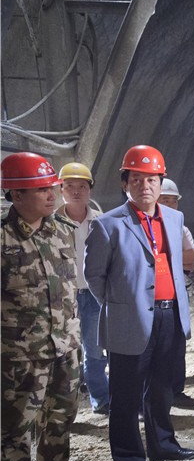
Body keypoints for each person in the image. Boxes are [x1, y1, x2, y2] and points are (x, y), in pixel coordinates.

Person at [84, 145, 194, 461]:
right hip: (129, 320)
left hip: (170, 316)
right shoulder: (108, 225)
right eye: (136, 179)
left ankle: (163, 445)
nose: (144, 186)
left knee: (162, 388)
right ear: (125, 183)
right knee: (126, 394)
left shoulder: (173, 219)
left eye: (151, 179)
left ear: (161, 183)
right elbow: (94, 276)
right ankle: (129, 460)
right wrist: (121, 305)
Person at [1, 153, 83, 461]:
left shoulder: (62, 229)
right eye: (41, 190)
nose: (52, 195)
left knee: (61, 414)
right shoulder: (3, 239)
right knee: (15, 423)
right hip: (20, 353)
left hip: (64, 345)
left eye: (52, 188)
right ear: (16, 195)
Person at [56, 162, 108, 415]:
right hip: (63, 297)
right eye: (70, 186)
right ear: (61, 189)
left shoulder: (102, 221)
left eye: (82, 186)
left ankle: (101, 398)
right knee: (63, 351)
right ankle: (62, 405)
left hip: (94, 294)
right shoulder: (50, 223)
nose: (76, 191)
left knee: (95, 350)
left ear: (90, 189)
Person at [157, 178, 194, 408]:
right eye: (165, 200)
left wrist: (162, 259)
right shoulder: (146, 228)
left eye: (173, 201)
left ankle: (176, 390)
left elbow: (191, 258)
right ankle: (157, 393)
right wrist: (175, 259)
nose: (170, 205)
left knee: (178, 344)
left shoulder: (181, 228)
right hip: (155, 298)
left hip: (176, 295)